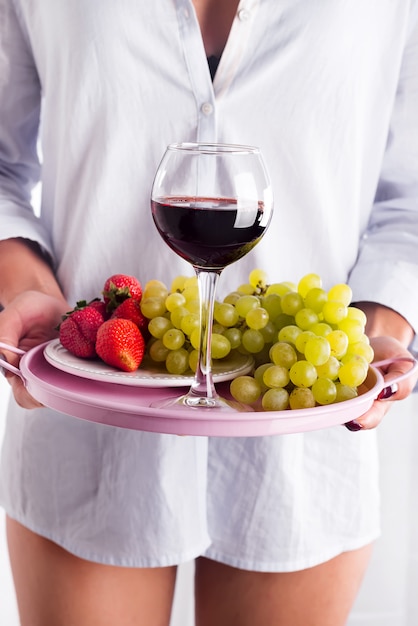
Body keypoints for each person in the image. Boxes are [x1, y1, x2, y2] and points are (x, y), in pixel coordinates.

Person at [0, 1, 417, 625]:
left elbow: (408, 195)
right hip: (85, 413)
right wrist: (30, 292)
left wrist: (370, 337)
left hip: (303, 431)